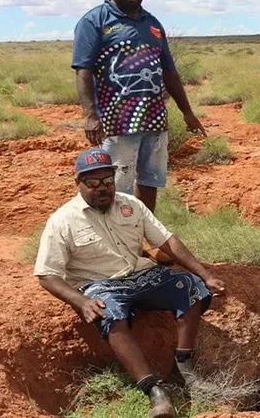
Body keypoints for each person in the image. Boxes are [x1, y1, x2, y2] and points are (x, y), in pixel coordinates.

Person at [35, 148, 226, 418]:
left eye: (107, 181)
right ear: (78, 183)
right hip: (100, 284)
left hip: (141, 275)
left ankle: (183, 367)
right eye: (92, 183)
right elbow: (46, 274)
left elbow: (167, 241)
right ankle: (155, 392)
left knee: (193, 287)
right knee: (109, 312)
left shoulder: (130, 205)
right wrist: (82, 301)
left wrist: (205, 274)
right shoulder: (62, 221)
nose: (102, 189)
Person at [72, 0, 206, 213]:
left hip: (155, 118)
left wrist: (187, 111)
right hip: (117, 120)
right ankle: (116, 238)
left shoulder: (153, 24)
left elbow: (169, 71)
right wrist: (90, 115)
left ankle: (144, 233)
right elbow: (83, 70)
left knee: (150, 180)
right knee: (115, 183)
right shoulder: (95, 21)